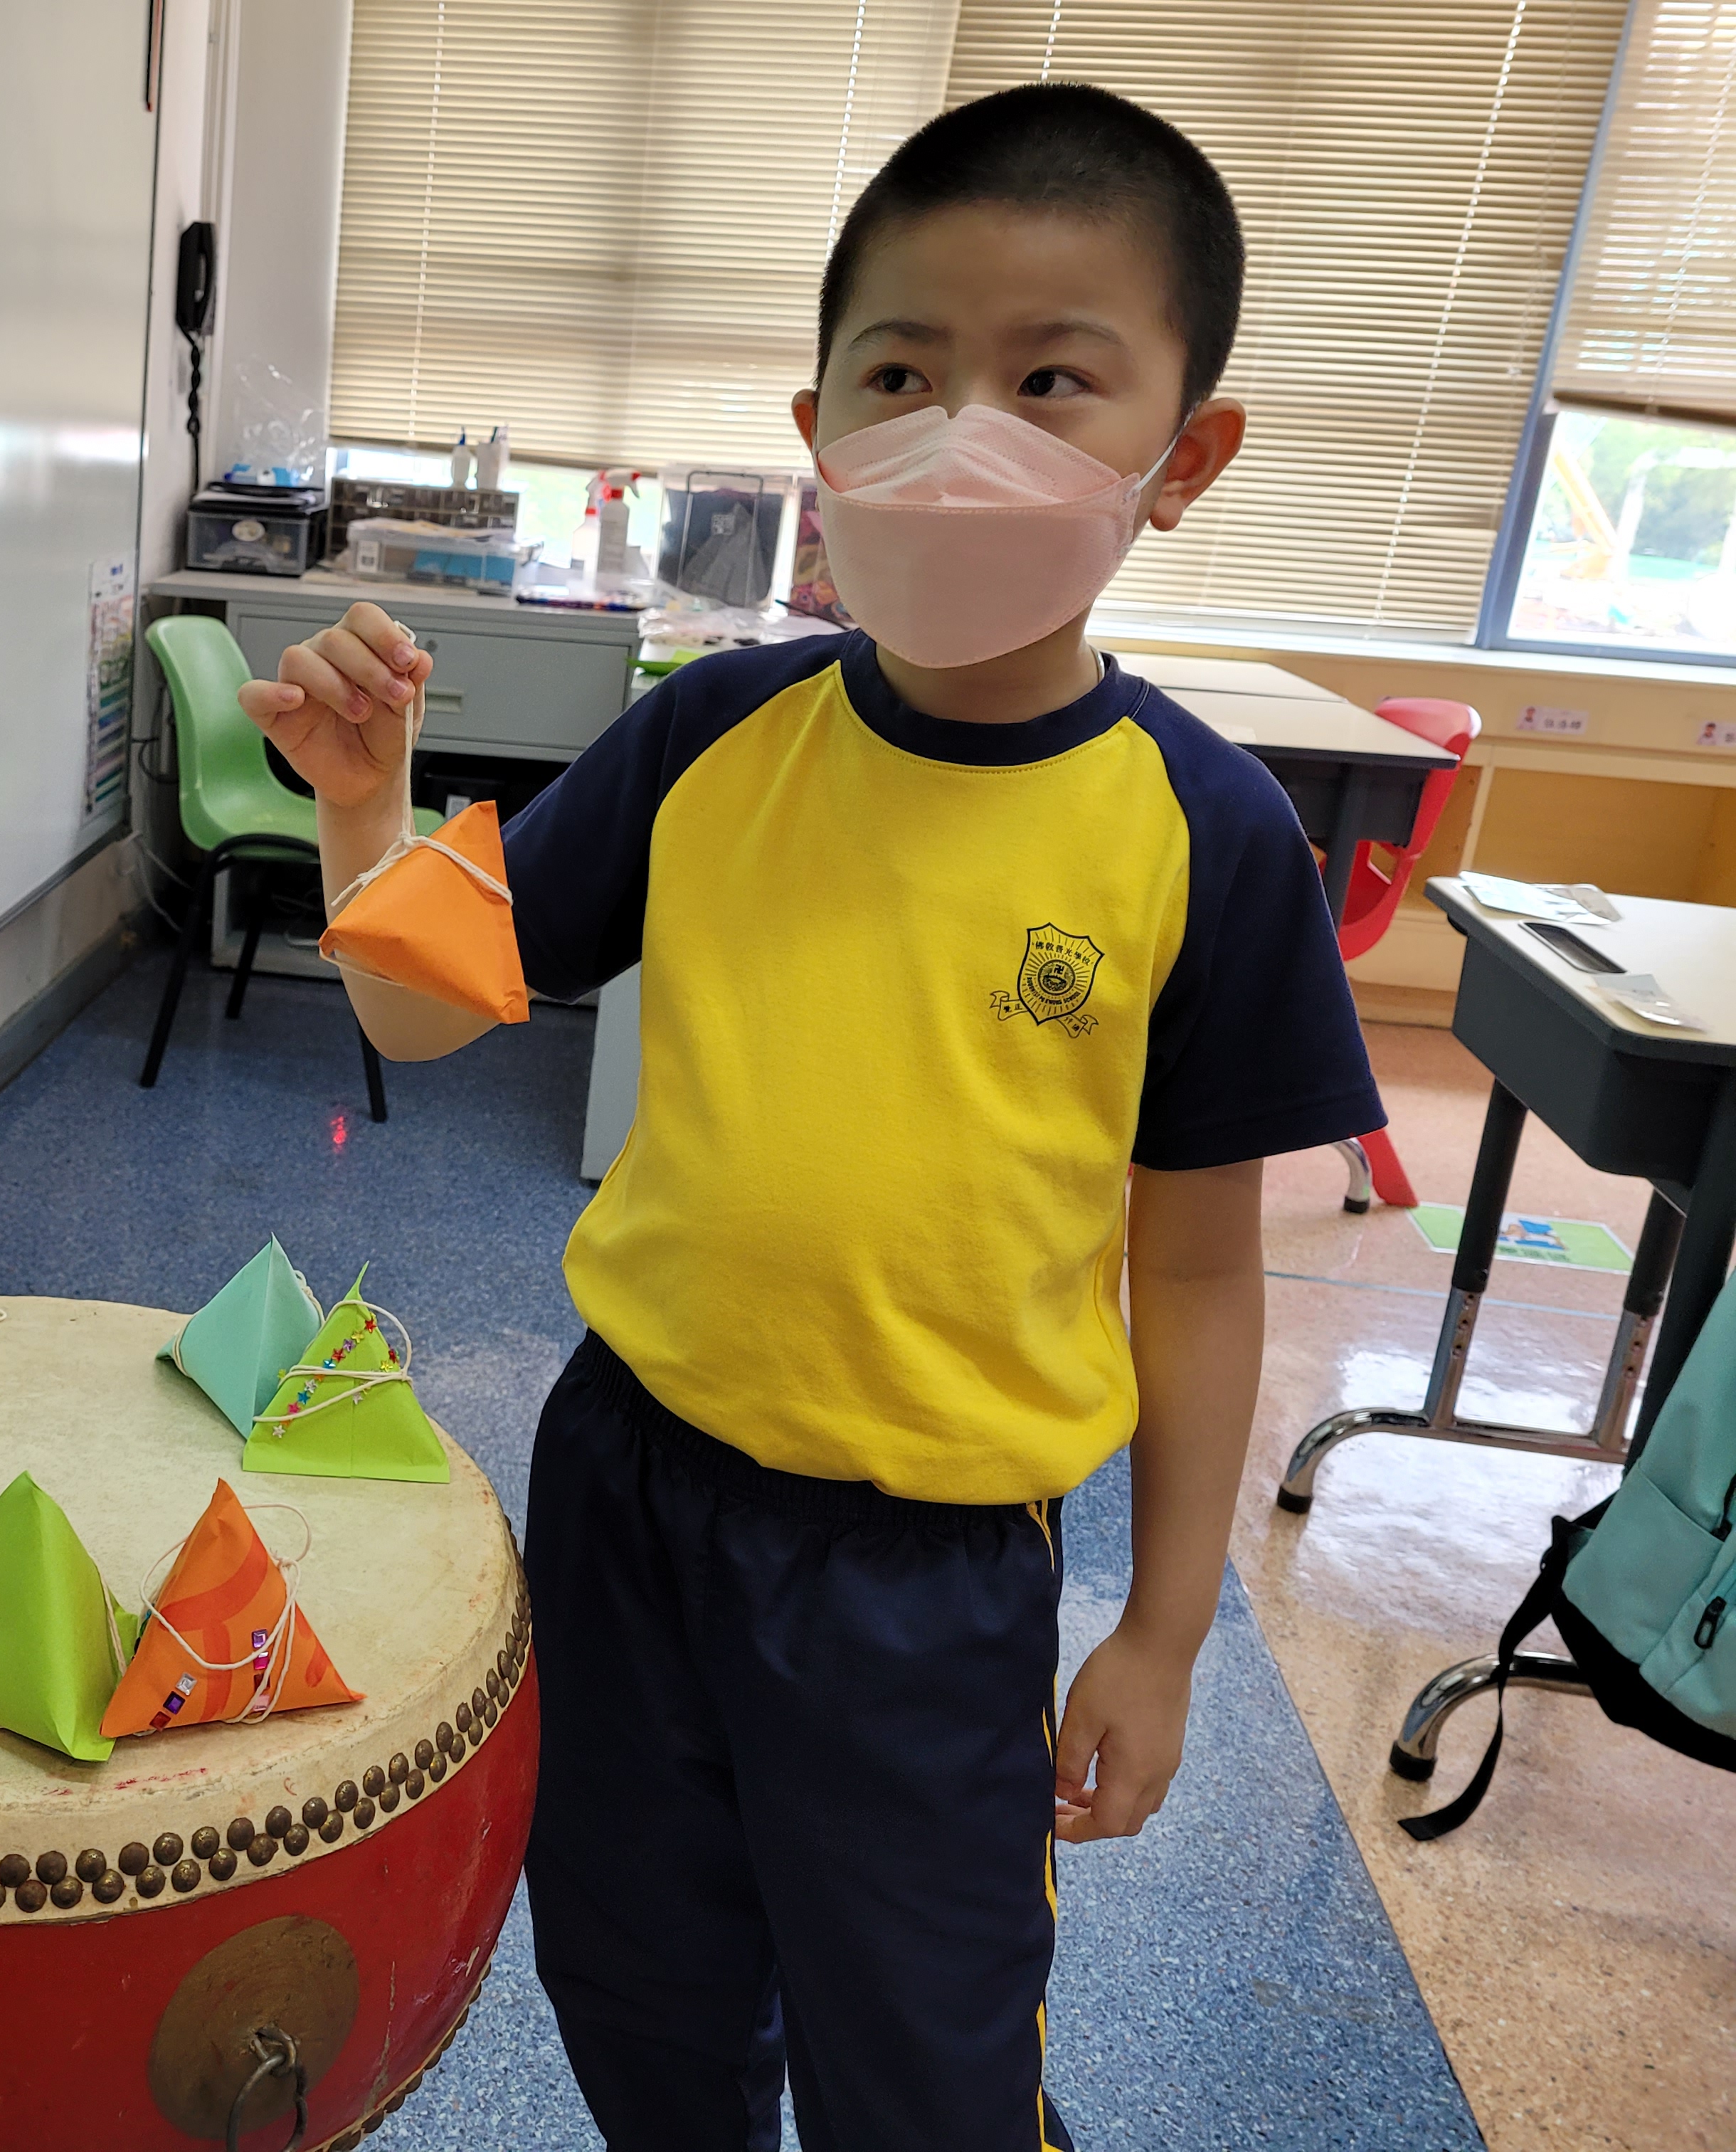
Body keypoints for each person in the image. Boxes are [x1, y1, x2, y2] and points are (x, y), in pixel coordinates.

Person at [238, 83, 1380, 2152]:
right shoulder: (716, 736)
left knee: (924, 2062)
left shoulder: (1206, 837)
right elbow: (418, 1012)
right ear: (818, 428)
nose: (963, 436)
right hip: (630, 1493)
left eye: (1052, 381)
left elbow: (1205, 1277)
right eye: (903, 374)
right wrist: (364, 809)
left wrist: (1165, 1631)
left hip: (928, 1583)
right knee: (637, 1988)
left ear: (1185, 459)